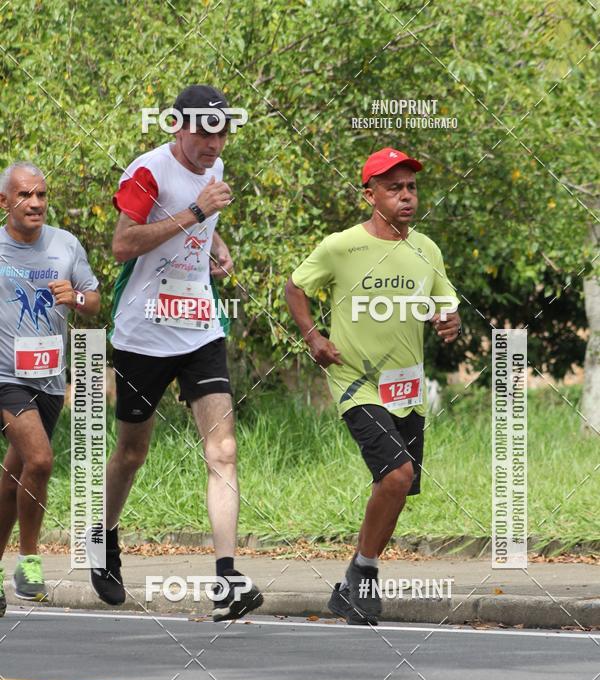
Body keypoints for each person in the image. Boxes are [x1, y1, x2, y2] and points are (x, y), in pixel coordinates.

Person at [90, 83, 263, 622]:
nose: (215, 145)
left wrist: (215, 244)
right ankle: (104, 536)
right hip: (143, 332)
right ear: (178, 127)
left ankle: (227, 578)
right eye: (204, 133)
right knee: (132, 452)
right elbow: (122, 244)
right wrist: (194, 214)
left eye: (223, 133)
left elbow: (199, 224)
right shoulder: (147, 172)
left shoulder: (214, 168)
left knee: (224, 449)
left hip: (199, 328)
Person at [286, 148, 461, 625]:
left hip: (406, 387)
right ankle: (364, 579)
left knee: (398, 488)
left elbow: (445, 304)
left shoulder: (427, 249)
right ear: (370, 195)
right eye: (393, 188)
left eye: (411, 187)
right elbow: (295, 287)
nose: (406, 196)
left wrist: (450, 322)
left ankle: (353, 579)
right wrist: (312, 336)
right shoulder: (341, 247)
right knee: (397, 476)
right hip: (355, 381)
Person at [0, 161, 100, 614]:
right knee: (40, 459)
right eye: (24, 195)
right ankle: (29, 564)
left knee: (15, 475)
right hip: (5, 377)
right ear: (5, 202)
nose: (35, 203)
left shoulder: (65, 244)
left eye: (41, 195)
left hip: (50, 377)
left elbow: (95, 302)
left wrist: (75, 298)